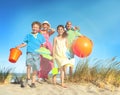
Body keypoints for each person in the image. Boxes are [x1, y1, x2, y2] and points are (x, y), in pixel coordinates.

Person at [16, 21, 45, 88]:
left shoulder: (41, 36)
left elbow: (43, 45)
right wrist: (19, 46)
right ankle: (28, 78)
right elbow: (25, 43)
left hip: (37, 54)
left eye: (36, 27)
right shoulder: (28, 35)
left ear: (39, 29)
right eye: (33, 27)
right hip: (29, 52)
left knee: (35, 68)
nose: (34, 28)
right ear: (32, 27)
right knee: (29, 65)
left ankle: (33, 82)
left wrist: (43, 52)